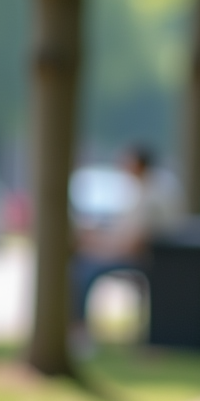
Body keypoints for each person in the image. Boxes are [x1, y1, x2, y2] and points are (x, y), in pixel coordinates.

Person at [69, 144, 162, 352]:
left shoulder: (149, 197)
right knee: (81, 266)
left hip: (142, 261)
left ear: (139, 165)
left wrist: (96, 247)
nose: (123, 166)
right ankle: (77, 330)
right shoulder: (140, 193)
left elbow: (134, 244)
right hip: (136, 256)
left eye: (128, 161)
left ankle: (79, 333)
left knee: (83, 271)